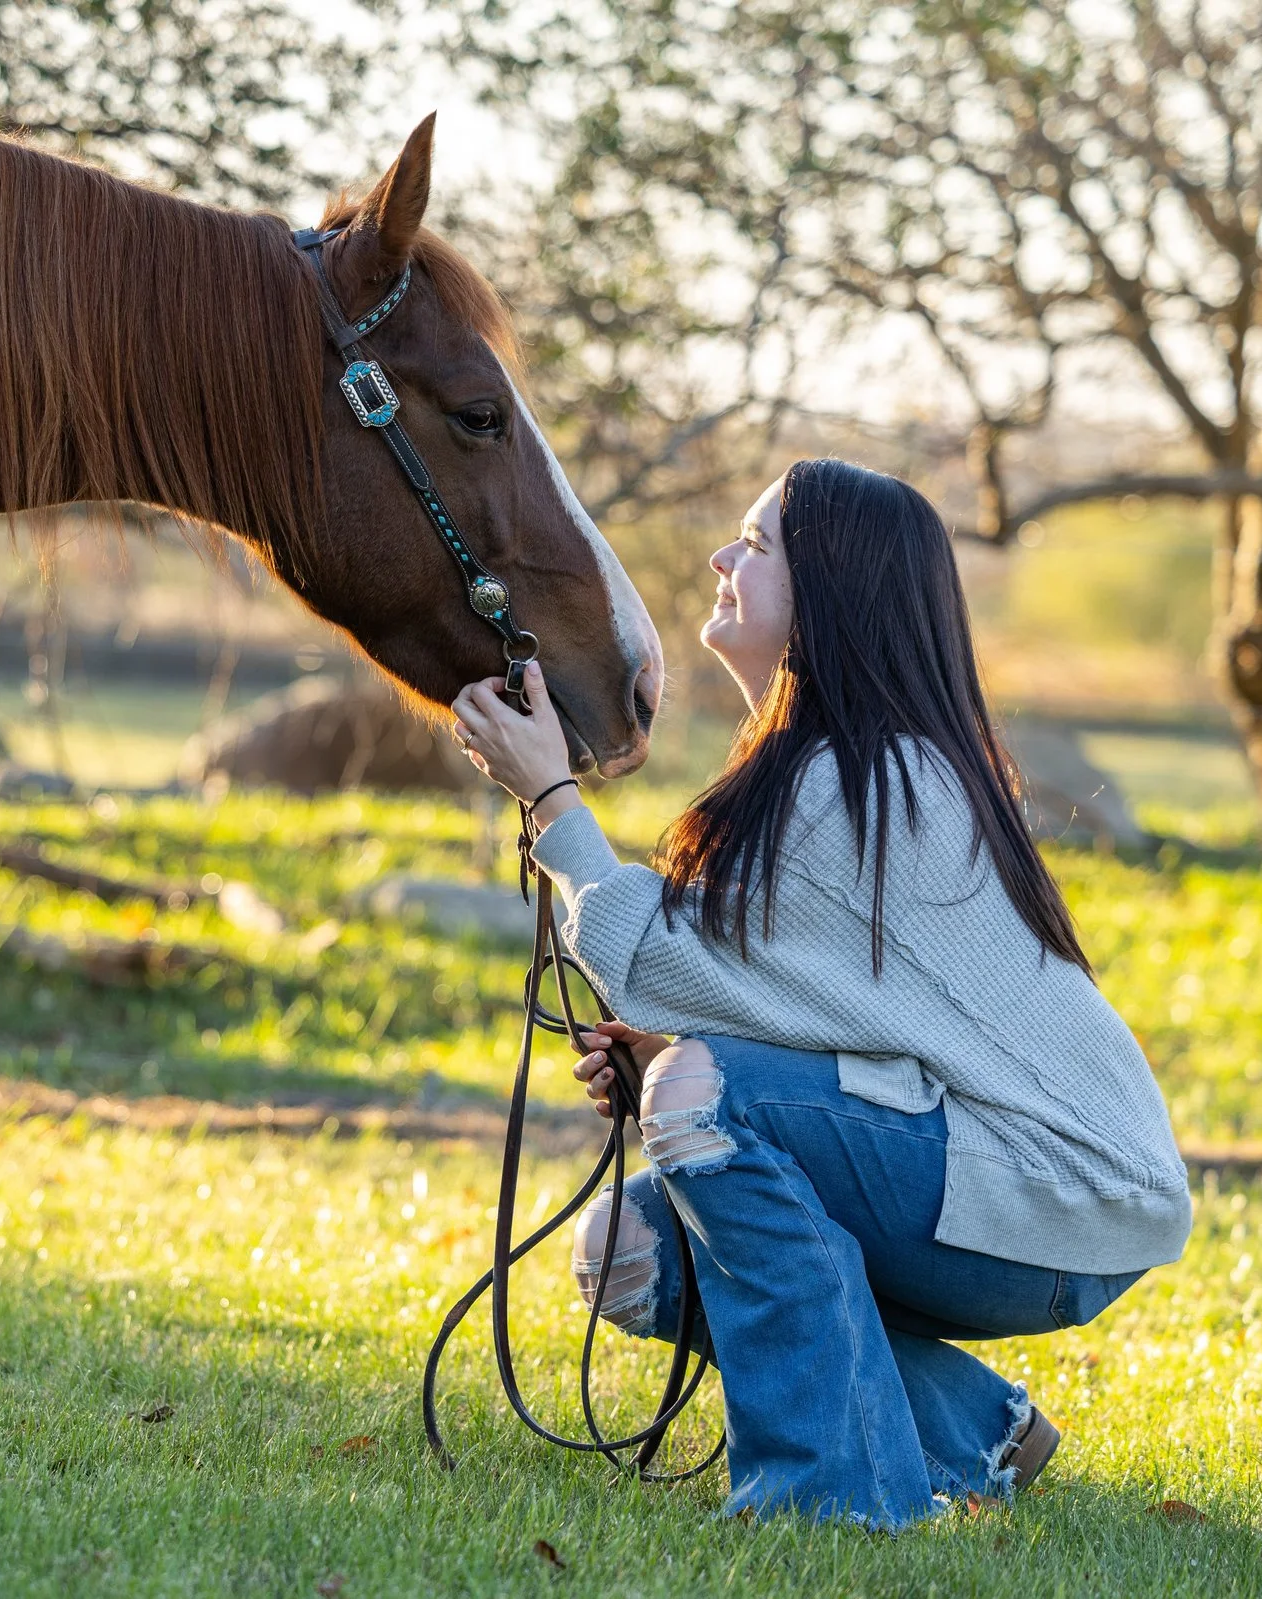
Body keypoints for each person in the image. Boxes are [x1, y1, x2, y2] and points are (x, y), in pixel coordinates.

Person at [447, 458, 1189, 1530]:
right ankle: (972, 1429)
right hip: (990, 1179)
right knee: (630, 1251)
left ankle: (830, 1500)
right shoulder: (844, 769)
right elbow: (821, 1010)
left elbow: (660, 962)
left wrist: (552, 799)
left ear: (833, 585)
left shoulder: (870, 781)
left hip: (1055, 1194)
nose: (721, 559)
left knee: (705, 1098)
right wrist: (666, 1061)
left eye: (756, 545)